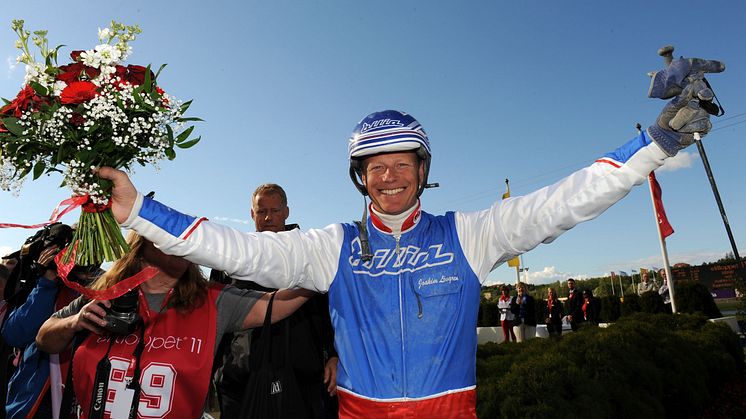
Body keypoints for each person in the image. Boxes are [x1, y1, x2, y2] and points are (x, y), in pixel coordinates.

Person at [96, 55, 724, 417]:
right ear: (360, 178)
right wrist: (141, 214)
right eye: (376, 167)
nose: (389, 177)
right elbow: (240, 250)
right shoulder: (331, 245)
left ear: (424, 170)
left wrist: (652, 145)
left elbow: (563, 202)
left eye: (402, 163)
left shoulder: (471, 233)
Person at [35, 232, 314, 419]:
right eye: (168, 238)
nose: (182, 246)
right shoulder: (106, 294)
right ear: (140, 247)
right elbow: (44, 339)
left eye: (186, 240)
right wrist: (74, 322)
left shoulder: (212, 300)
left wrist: (320, 269)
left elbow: (276, 305)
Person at [215, 183, 338, 419]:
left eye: (275, 210)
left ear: (287, 212)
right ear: (252, 214)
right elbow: (214, 318)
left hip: (303, 374)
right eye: (262, 211)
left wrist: (335, 354)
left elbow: (333, 312)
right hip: (241, 377)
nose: (268, 217)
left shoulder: (311, 255)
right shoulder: (231, 259)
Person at [1, 242, 96, 419]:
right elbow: (14, 335)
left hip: (82, 397)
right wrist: (47, 281)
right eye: (72, 253)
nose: (78, 260)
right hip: (35, 399)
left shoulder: (109, 287)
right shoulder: (44, 285)